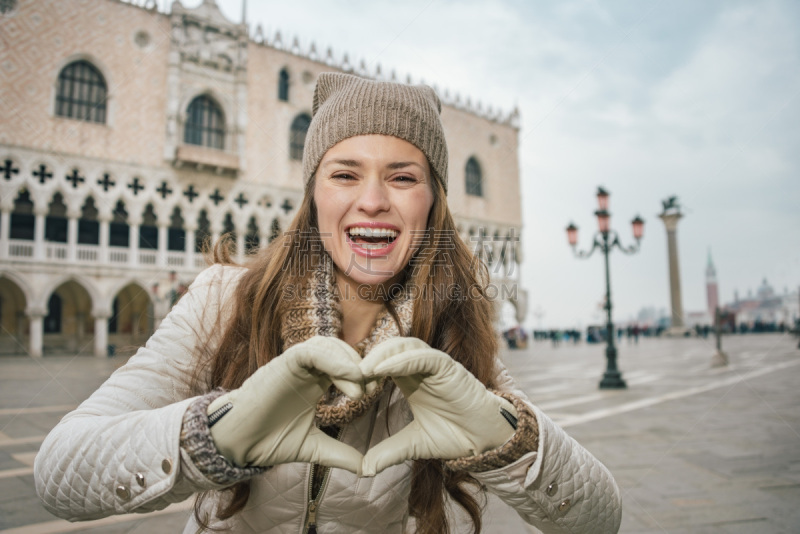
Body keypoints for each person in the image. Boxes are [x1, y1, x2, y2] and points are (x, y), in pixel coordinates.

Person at [34, 73, 621, 534]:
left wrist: (507, 441)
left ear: (433, 205)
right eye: (344, 174)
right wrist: (213, 437)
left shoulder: (452, 342)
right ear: (313, 195)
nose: (372, 201)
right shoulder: (223, 301)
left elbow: (599, 520)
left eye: (403, 177)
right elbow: (60, 472)